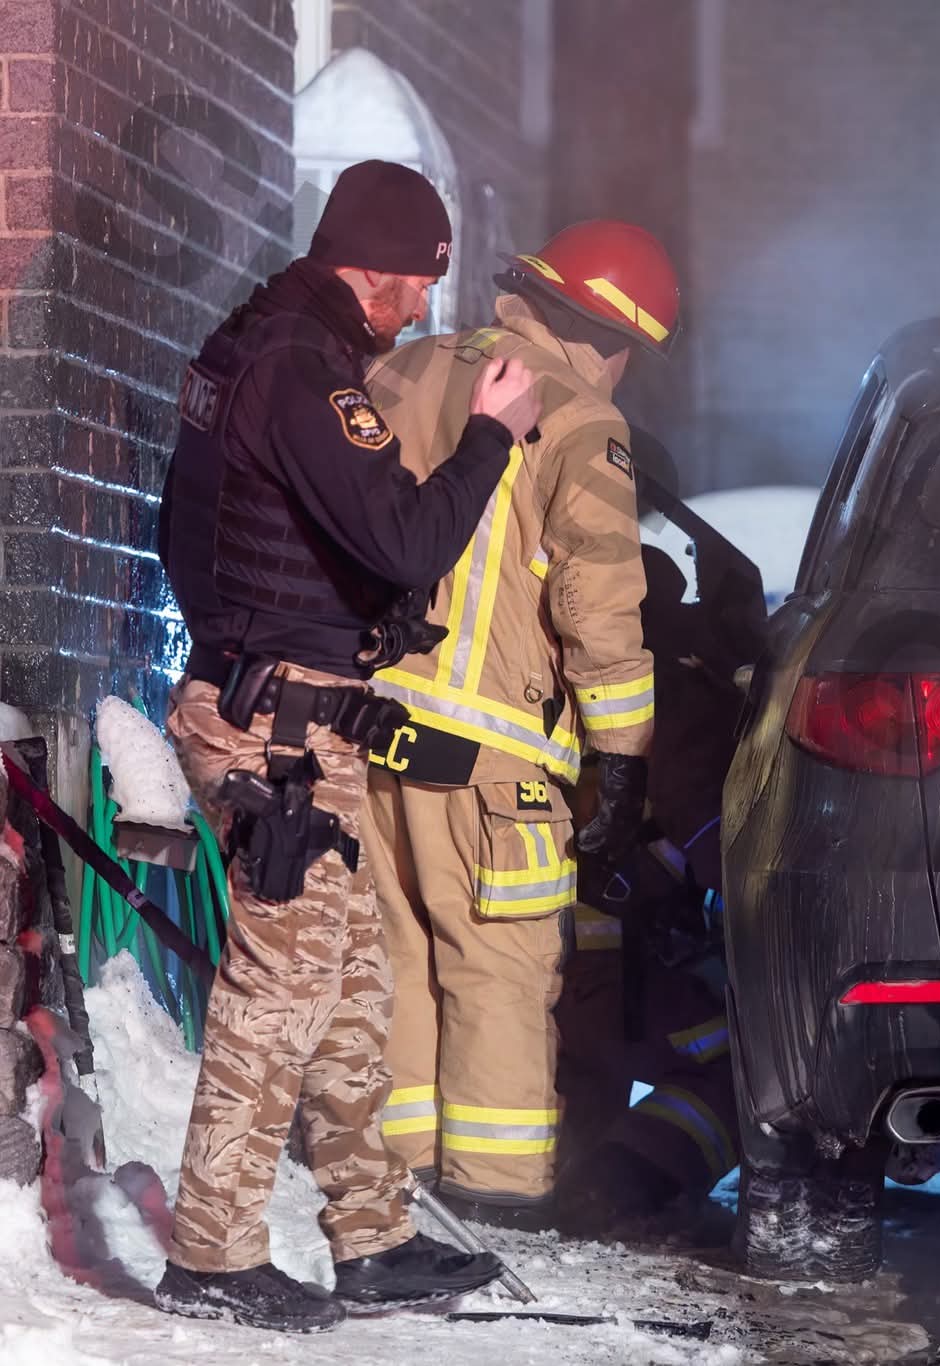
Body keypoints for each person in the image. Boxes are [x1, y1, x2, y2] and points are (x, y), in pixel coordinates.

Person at [153, 159, 542, 1332]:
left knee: (351, 990)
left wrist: (324, 626)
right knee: (277, 997)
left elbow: (218, 534)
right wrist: (491, 437)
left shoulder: (262, 349)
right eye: (415, 287)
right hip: (278, 735)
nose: (419, 311)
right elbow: (409, 537)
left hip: (285, 713)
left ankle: (372, 1237)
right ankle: (212, 1257)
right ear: (372, 270)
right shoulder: (300, 367)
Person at [358, 220, 679, 1226]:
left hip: (366, 736)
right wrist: (621, 763)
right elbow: (600, 606)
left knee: (400, 963)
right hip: (492, 766)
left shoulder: (402, 370)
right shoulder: (581, 416)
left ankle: (400, 1198)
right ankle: (495, 1202)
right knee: (499, 974)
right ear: (610, 335)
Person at [551, 488, 768, 1235]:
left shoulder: (551, 660)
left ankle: (555, 1183)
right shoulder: (675, 687)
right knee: (744, 1070)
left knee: (572, 1077)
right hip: (614, 954)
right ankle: (619, 1185)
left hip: (542, 932)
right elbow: (712, 835)